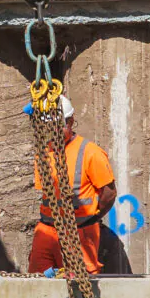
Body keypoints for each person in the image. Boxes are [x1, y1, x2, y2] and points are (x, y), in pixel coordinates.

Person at [30, 108, 122, 276]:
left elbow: (109, 194)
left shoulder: (90, 152)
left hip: (79, 231)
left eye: (57, 126)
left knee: (80, 283)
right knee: (38, 280)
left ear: (70, 122)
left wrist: (91, 218)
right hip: (46, 230)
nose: (52, 132)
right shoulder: (44, 153)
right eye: (47, 127)